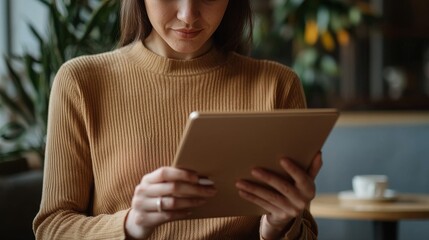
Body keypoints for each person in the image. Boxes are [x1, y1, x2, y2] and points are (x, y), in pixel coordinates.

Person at [33, 0, 322, 239]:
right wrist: (131, 224)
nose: (188, 15)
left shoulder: (277, 86)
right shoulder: (81, 83)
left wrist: (280, 227)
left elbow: (305, 232)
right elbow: (52, 228)